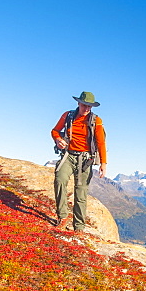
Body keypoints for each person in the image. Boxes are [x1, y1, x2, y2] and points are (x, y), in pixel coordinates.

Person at [51, 91, 107, 233]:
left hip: (85, 159)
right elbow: (55, 131)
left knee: (80, 192)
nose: (86, 109)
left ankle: (79, 227)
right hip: (68, 155)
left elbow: (101, 143)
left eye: (89, 106)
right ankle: (62, 217)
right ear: (78, 103)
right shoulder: (68, 116)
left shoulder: (96, 121)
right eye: (84, 105)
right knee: (60, 180)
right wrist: (58, 140)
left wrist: (103, 164)